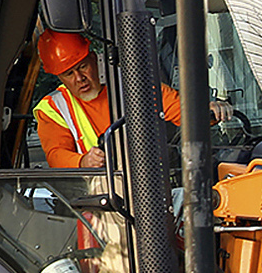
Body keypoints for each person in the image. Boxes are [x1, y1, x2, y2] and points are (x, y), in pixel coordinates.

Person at [32, 28, 180, 168]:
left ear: (93, 58)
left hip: (151, 181)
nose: (79, 78)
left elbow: (183, 111)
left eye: (82, 67)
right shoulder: (53, 109)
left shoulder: (134, 87)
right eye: (69, 74)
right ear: (60, 77)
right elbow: (56, 156)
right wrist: (83, 161)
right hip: (98, 190)